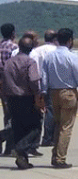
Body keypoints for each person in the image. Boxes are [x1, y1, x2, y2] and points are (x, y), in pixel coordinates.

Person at [42, 28, 78, 169]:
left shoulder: (49, 56)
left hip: (53, 93)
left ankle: (55, 155)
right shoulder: (72, 56)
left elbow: (44, 77)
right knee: (66, 127)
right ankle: (60, 158)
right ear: (70, 40)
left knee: (58, 125)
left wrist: (43, 93)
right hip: (68, 93)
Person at [2, 36, 45, 169]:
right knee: (35, 126)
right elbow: (33, 80)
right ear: (31, 48)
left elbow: (4, 79)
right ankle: (21, 149)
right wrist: (38, 95)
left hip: (11, 98)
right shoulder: (30, 62)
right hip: (27, 98)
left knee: (18, 127)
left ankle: (22, 160)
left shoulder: (9, 62)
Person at [29, 29, 58, 148]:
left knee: (39, 113)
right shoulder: (56, 51)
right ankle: (48, 137)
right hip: (52, 84)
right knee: (51, 111)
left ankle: (35, 139)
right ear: (55, 39)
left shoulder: (36, 50)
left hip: (38, 83)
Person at [0, 23, 18, 155]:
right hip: (9, 84)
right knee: (13, 114)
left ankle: (7, 147)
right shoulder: (14, 47)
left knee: (7, 112)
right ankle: (8, 144)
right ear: (13, 33)